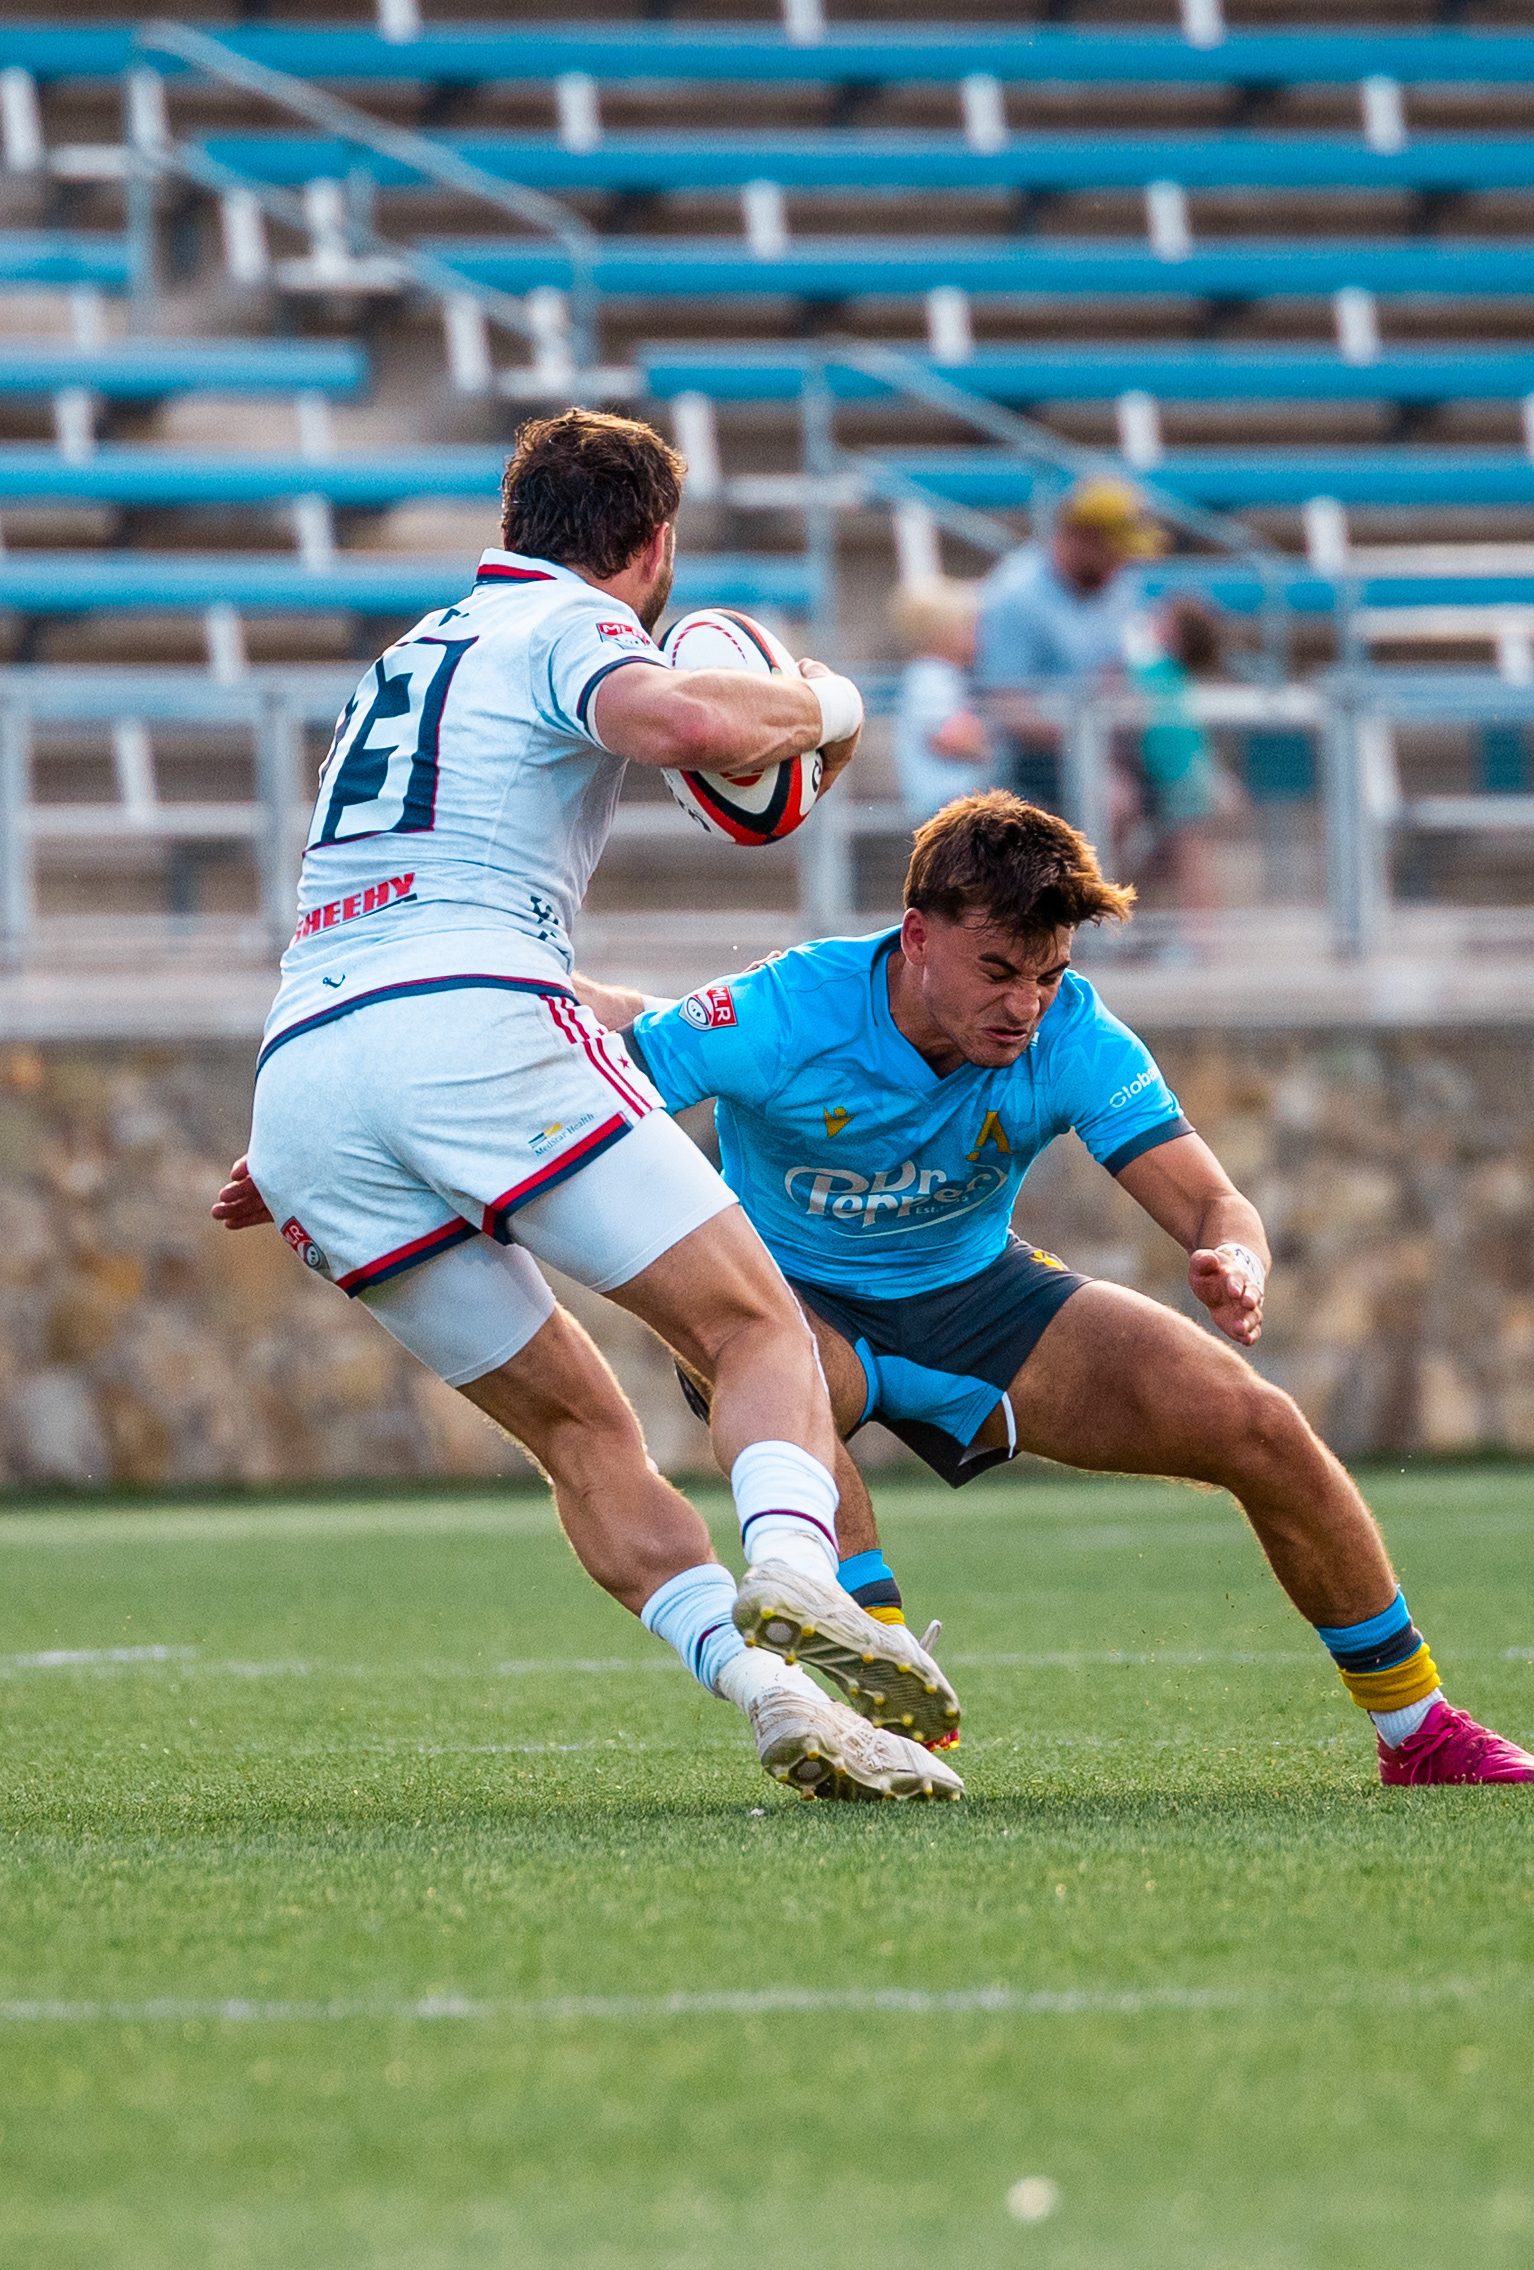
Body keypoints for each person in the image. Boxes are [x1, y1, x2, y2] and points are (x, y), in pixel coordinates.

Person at [211, 405, 963, 1803]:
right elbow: (684, 721)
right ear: (655, 545)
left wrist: (322, 1122)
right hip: (471, 1027)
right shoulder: (572, 623)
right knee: (754, 1324)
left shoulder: (402, 658)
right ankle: (797, 1573)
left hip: (308, 1076)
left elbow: (397, 897)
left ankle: (775, 1696)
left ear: (512, 524)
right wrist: (833, 705)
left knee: (578, 1434)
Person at [568, 792, 1534, 1788]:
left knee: (1257, 1424)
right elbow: (597, 1086)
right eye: (998, 971)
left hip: (972, 1293)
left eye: (1047, 974)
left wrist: (1236, 1260)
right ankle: (880, 1689)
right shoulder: (781, 1011)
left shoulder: (1072, 1033)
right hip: (786, 1294)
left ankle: (1421, 1732)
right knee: (787, 1363)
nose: (1024, 1005)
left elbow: (1214, 1203)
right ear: (916, 936)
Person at [974, 479, 1165, 814]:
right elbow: (1006, 705)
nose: (1121, 564)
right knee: (1110, 802)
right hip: (1031, 762)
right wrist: (1083, 736)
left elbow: (1121, 672)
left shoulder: (1118, 587)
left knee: (1193, 790)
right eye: (1115, 553)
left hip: (1107, 745)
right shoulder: (1015, 593)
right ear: (1082, 538)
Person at [1119, 593, 1241, 952]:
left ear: (1175, 634)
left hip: (1180, 777)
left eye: (1163, 619)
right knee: (1169, 859)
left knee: (1192, 856)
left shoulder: (1158, 672)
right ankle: (1159, 936)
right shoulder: (1168, 674)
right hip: (1163, 776)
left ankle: (1201, 936)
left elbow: (1186, 742)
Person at [888, 579, 994, 826]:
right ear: (944, 632)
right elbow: (948, 738)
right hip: (943, 799)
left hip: (950, 800)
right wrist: (988, 744)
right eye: (968, 626)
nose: (978, 634)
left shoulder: (946, 675)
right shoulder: (930, 675)